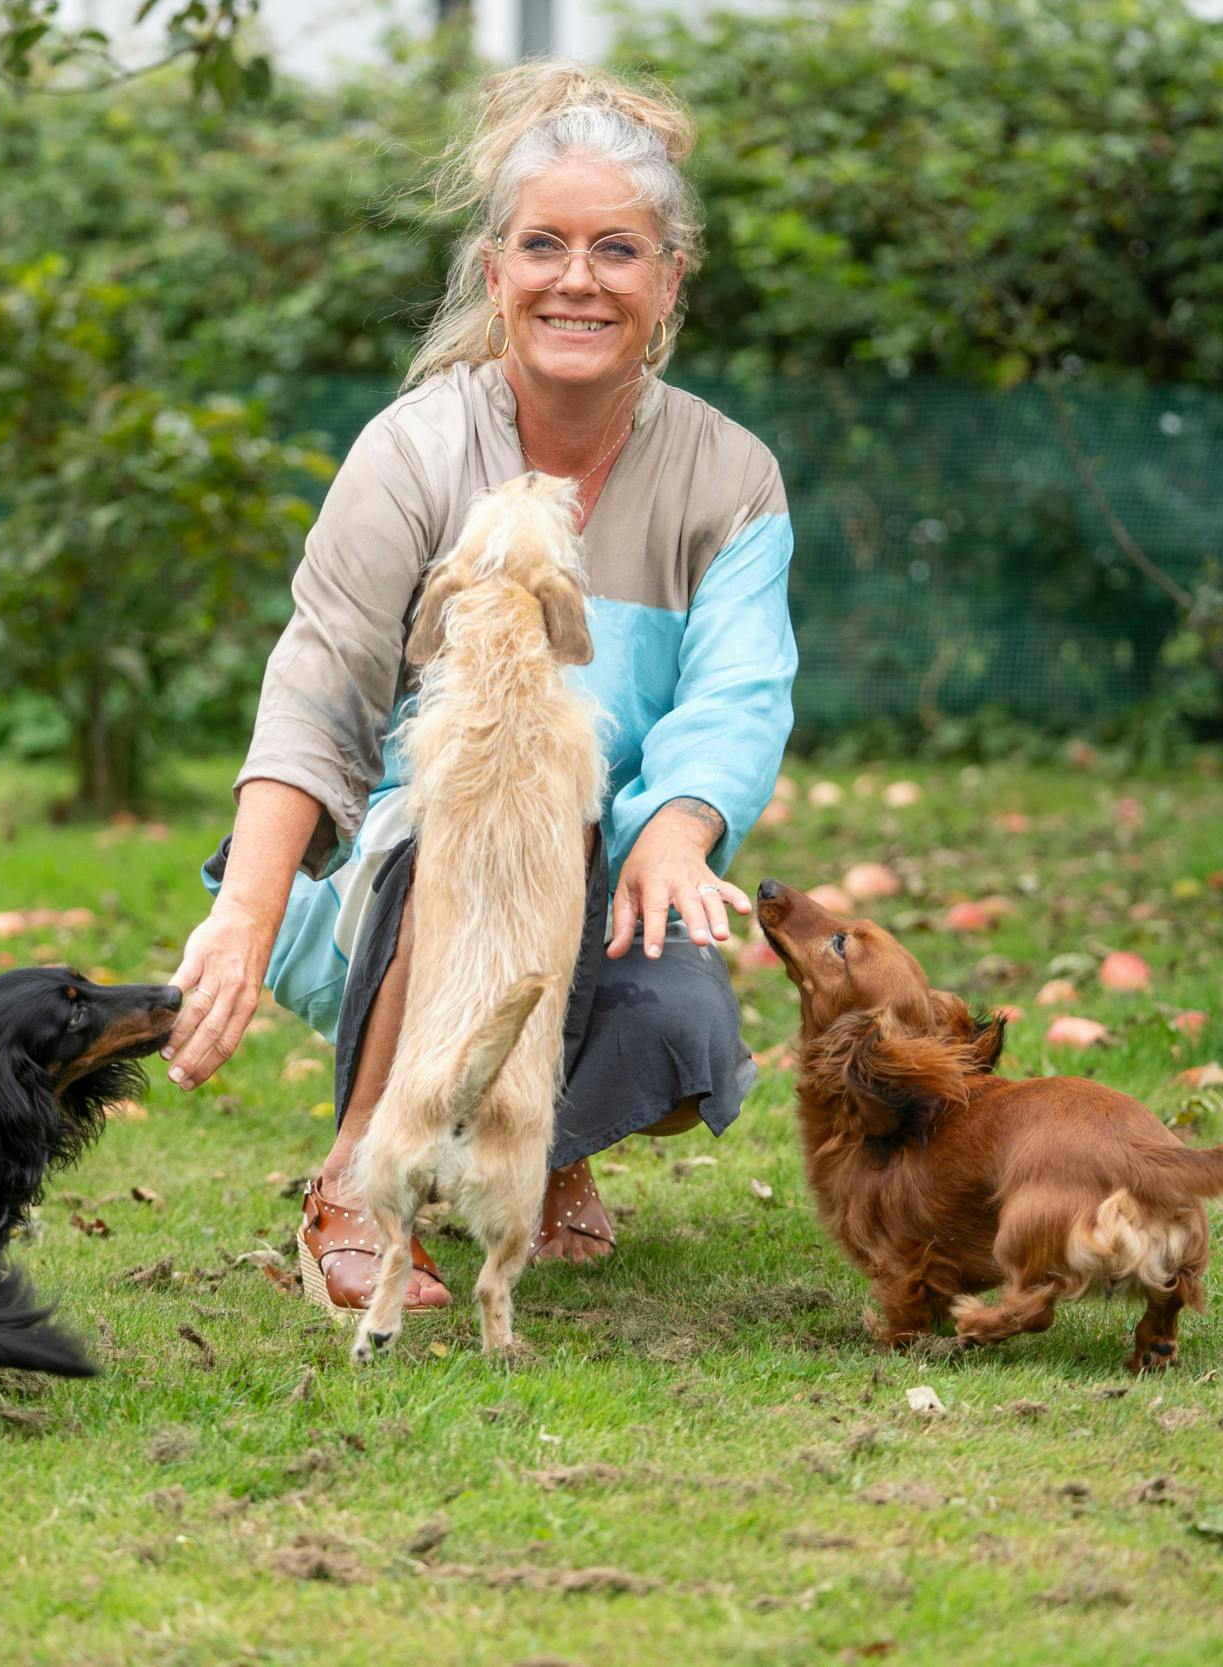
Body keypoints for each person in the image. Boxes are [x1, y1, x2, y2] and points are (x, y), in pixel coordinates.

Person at [164, 59, 795, 1314]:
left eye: (617, 250)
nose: (578, 278)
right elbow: (319, 690)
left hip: (594, 876)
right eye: (544, 246)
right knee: (477, 821)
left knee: (685, 1034)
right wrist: (243, 910)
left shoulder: (730, 475)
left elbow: (740, 690)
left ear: (669, 278)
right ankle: (351, 1181)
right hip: (390, 880)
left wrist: (675, 828)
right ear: (495, 269)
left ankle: (540, 1148)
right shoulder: (412, 452)